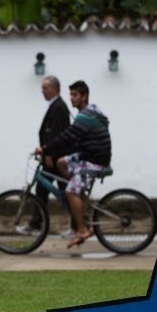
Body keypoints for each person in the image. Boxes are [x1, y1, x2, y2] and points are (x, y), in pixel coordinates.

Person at [35, 80, 111, 248]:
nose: (71, 98)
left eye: (75, 95)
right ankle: (80, 193)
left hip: (95, 160)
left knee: (69, 192)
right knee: (61, 163)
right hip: (88, 155)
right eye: (70, 94)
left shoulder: (85, 116)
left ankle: (82, 229)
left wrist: (46, 149)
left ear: (84, 96)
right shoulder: (87, 113)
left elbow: (67, 136)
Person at [17, 75, 71, 236]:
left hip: (54, 159)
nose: (42, 91)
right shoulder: (56, 105)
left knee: (64, 192)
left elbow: (57, 134)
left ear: (54, 89)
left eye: (45, 88)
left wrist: (48, 153)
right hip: (53, 157)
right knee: (50, 191)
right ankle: (37, 223)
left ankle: (37, 224)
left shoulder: (59, 107)